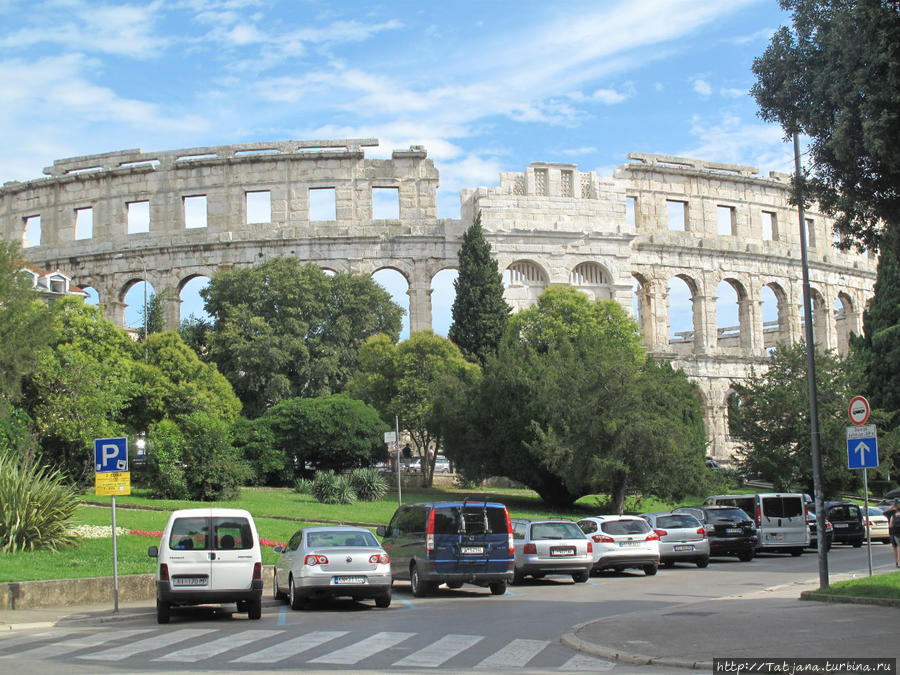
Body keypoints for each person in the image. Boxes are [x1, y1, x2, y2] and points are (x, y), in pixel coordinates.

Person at [887, 500, 900, 567]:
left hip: (893, 533)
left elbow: (891, 525)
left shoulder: (892, 515)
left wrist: (892, 506)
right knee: (899, 547)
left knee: (895, 547)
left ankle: (897, 563)